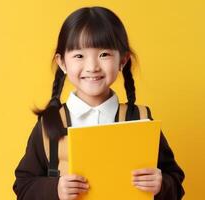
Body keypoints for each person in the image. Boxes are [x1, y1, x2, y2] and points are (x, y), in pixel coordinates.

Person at [13, 6, 185, 200]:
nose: (92, 67)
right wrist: (55, 189)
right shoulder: (50, 125)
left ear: (123, 60)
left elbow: (176, 183)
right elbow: (23, 186)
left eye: (104, 54)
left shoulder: (141, 120)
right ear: (62, 63)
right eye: (79, 55)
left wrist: (161, 185)